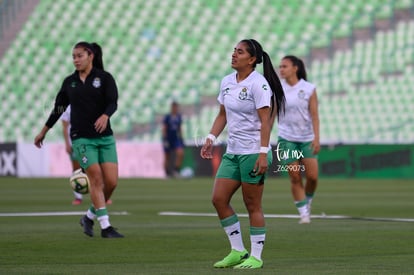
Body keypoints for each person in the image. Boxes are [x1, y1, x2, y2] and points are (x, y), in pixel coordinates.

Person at [200, 39, 285, 269]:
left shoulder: (259, 84)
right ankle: (238, 250)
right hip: (233, 151)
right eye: (233, 50)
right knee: (218, 199)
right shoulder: (227, 82)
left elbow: (265, 122)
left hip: (252, 152)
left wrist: (263, 153)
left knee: (252, 204)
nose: (234, 54)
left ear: (252, 59)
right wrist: (210, 138)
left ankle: (256, 256)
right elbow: (222, 114)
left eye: (239, 52)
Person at [34, 41, 123, 238]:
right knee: (96, 178)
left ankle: (88, 217)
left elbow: (113, 102)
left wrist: (106, 115)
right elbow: (58, 109)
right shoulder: (69, 83)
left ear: (90, 56)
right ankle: (106, 226)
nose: (75, 60)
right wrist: (44, 131)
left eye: (79, 56)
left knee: (112, 182)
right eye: (73, 56)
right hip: (81, 139)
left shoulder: (105, 78)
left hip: (105, 138)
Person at [277, 55, 320, 224]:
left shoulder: (308, 88)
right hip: (287, 138)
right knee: (294, 176)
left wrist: (317, 138)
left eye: (284, 66)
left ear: (295, 68)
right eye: (280, 66)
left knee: (312, 177)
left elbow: (315, 115)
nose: (281, 69)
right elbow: (272, 114)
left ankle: (307, 201)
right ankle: (303, 213)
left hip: (307, 138)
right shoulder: (277, 88)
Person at [61, 105, 83, 205]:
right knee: (76, 170)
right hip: (74, 142)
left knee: (94, 168)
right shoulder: (67, 107)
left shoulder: (87, 101)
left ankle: (103, 196)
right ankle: (78, 197)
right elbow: (65, 127)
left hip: (88, 141)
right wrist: (67, 144)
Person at [162, 101, 185, 178]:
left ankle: (176, 170)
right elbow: (164, 128)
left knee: (180, 153)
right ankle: (167, 173)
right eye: (174, 107)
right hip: (168, 138)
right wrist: (165, 139)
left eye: (176, 107)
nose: (175, 109)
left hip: (175, 139)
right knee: (167, 156)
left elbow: (179, 128)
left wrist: (181, 138)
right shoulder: (167, 117)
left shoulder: (179, 117)